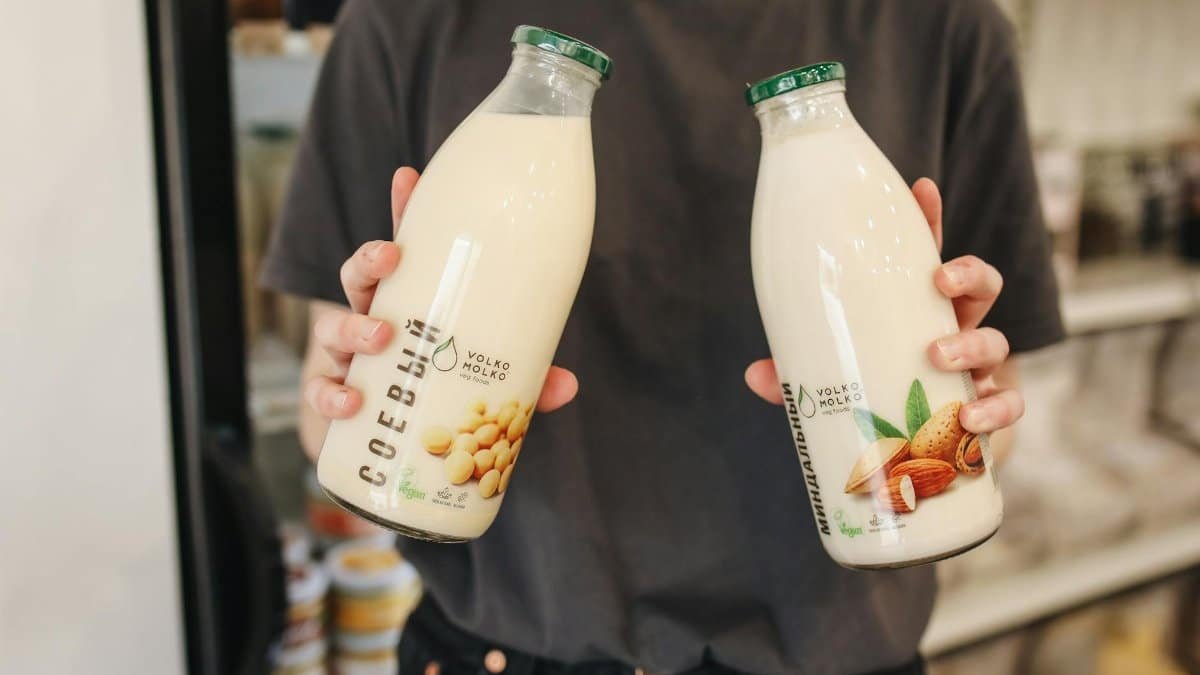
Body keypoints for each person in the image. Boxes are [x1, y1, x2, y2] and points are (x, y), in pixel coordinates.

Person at [261, 1, 1063, 673]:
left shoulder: (942, 24)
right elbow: (323, 415)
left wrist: (968, 404)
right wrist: (352, 390)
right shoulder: (411, 16)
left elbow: (992, 428)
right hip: (506, 646)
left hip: (834, 651)